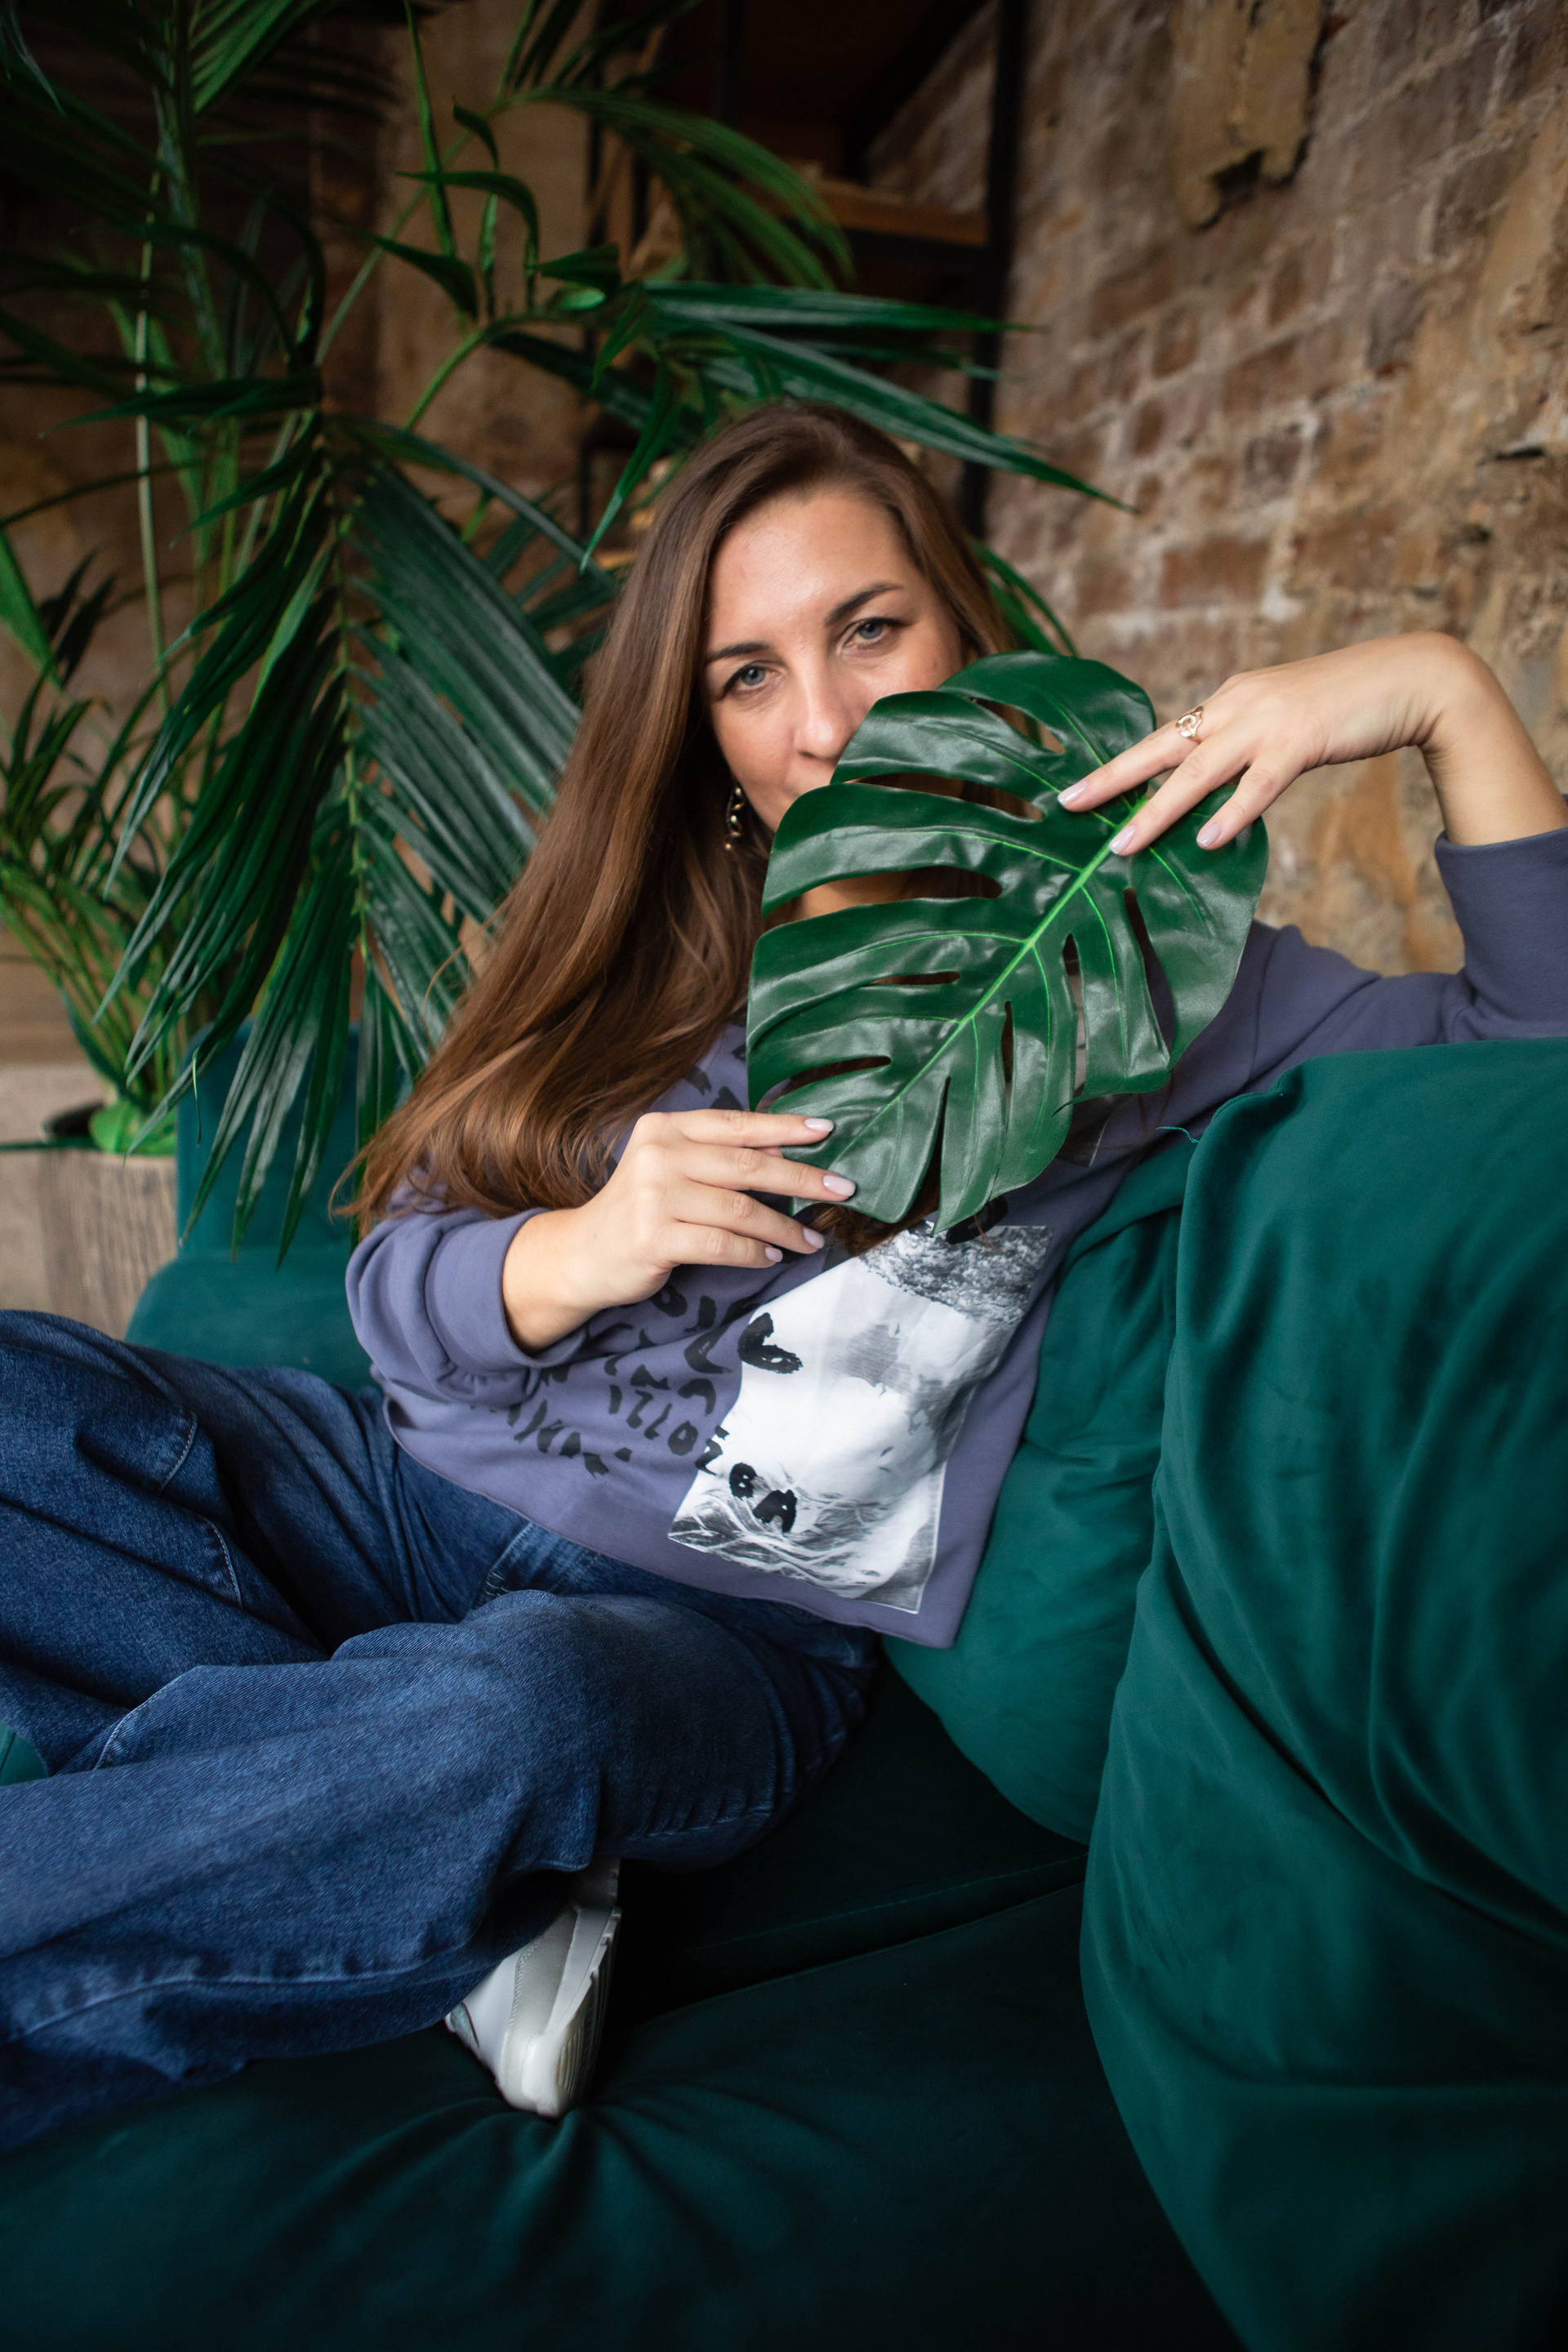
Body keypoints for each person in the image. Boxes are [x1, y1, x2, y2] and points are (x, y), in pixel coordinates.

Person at [2, 403, 1565, 2152]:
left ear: (970, 632)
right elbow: (396, 1291)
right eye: (748, 676)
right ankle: (433, 1877)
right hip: (386, 1492)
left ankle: (401, 1824)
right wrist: (583, 1246)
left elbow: (1529, 1064)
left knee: (511, 1722)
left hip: (710, 1629)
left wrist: (1440, 692)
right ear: (702, 727)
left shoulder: (1127, 968)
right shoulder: (639, 936)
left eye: (869, 629)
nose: (825, 723)